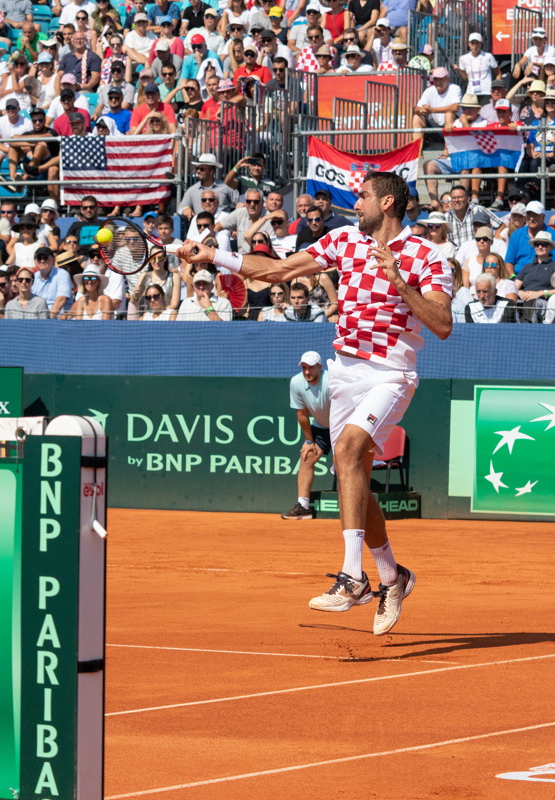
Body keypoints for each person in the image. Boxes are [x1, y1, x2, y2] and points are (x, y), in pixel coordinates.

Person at [177, 170, 452, 636]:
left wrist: (401, 283)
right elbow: (279, 270)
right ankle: (392, 576)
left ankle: (353, 577)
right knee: (352, 477)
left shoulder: (427, 254)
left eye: (362, 196)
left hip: (390, 373)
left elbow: (442, 324)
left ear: (387, 203)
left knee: (346, 451)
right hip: (344, 372)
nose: (355, 204)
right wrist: (214, 256)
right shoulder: (344, 240)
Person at [281, 350, 332, 520]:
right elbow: (302, 414)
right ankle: (303, 507)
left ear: (320, 367)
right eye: (304, 368)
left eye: (311, 367)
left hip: (342, 426)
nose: (307, 372)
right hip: (321, 426)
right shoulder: (296, 382)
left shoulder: (331, 381)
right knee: (307, 457)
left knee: (346, 464)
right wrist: (309, 441)